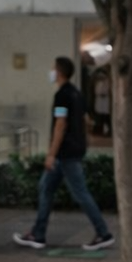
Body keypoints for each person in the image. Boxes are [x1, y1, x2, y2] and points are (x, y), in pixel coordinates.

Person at [14, 56, 115, 251]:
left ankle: (103, 233)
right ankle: (38, 234)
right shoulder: (76, 93)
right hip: (71, 151)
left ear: (58, 72)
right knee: (46, 188)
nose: (51, 71)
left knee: (80, 193)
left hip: (65, 154)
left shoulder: (62, 96)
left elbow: (61, 124)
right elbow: (87, 120)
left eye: (53, 68)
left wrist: (51, 153)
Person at [91, 67, 111, 137]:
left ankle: (107, 130)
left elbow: (106, 90)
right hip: (99, 100)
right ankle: (99, 130)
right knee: (99, 115)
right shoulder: (98, 82)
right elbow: (96, 91)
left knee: (105, 116)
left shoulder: (107, 81)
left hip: (105, 100)